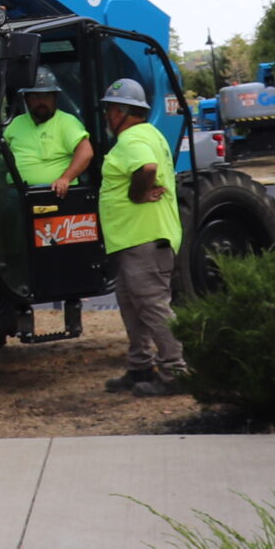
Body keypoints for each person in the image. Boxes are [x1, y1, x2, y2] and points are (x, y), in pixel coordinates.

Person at [96, 78, 185, 396]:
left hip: (144, 239)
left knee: (152, 306)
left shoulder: (133, 139)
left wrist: (137, 194)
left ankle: (176, 372)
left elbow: (146, 168)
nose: (107, 116)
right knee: (132, 305)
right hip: (134, 240)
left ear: (121, 111)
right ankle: (140, 367)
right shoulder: (148, 134)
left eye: (109, 110)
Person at [3, 72, 93, 195]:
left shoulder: (67, 122)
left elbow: (86, 152)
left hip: (54, 193)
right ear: (26, 99)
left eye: (46, 96)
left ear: (54, 98)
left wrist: (65, 178)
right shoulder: (16, 123)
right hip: (16, 192)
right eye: (35, 96)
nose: (41, 102)